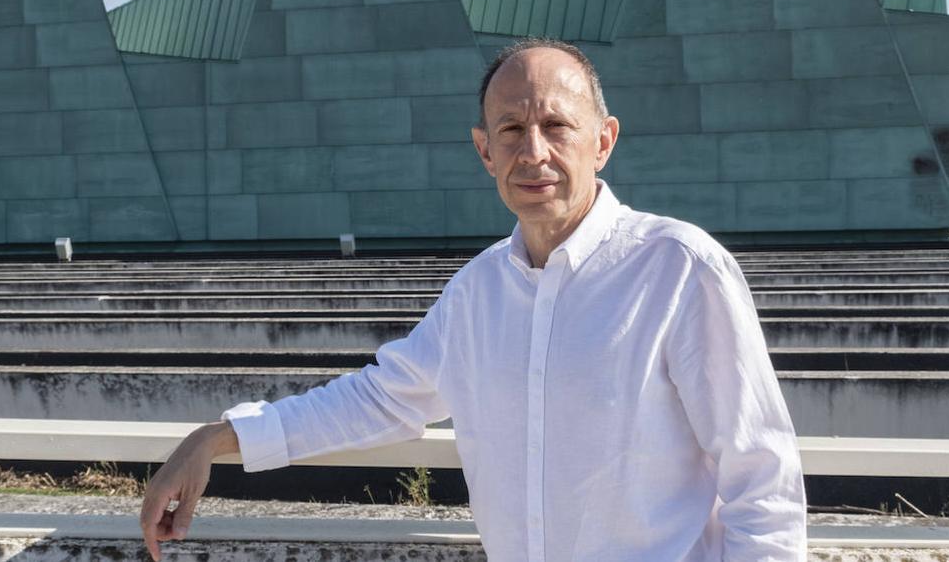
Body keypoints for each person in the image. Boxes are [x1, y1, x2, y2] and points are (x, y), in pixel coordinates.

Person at [140, 38, 807, 561]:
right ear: (485, 152)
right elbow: (382, 399)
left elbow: (762, 477)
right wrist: (219, 438)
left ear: (603, 141)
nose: (534, 151)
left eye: (556, 125)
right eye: (511, 130)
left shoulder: (678, 270)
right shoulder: (477, 293)